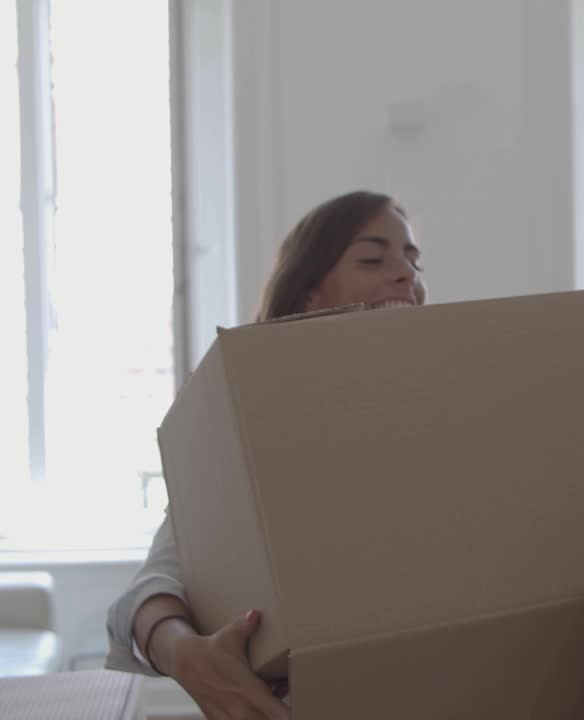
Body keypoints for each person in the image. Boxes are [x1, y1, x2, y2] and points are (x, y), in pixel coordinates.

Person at [106, 190, 427, 720]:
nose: (405, 275)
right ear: (309, 295)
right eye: (373, 258)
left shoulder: (448, 423)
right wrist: (184, 651)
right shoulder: (248, 430)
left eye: (414, 260)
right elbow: (150, 589)